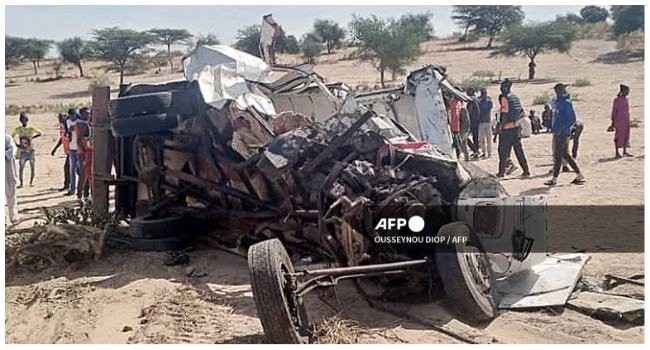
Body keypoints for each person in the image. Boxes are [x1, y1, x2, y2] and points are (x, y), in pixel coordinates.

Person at [545, 83, 585, 186]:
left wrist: (562, 129)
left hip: (563, 133)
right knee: (564, 155)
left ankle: (554, 179)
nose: (557, 93)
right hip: (557, 132)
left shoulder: (567, 103)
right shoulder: (558, 102)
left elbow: (572, 119)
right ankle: (578, 174)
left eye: (559, 91)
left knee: (559, 156)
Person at [496, 79, 530, 178]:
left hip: (507, 129)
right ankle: (526, 171)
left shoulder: (505, 98)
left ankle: (501, 172)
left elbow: (505, 114)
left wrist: (501, 126)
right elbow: (521, 112)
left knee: (502, 151)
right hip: (516, 128)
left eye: (502, 86)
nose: (501, 88)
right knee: (519, 151)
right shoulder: (515, 97)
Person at [11, 112, 44, 188]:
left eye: (25, 120)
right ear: (20, 120)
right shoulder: (18, 129)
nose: (24, 121)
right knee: (21, 168)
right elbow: (12, 137)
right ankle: (22, 183)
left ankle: (31, 182)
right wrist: (17, 145)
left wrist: (32, 138)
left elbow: (41, 133)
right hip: (23, 151)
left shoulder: (30, 128)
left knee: (32, 168)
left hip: (31, 150)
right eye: (22, 120)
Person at [610, 84, 632, 158]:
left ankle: (624, 151)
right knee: (618, 135)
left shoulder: (626, 99)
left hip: (626, 119)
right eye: (627, 91)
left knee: (626, 134)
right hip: (619, 120)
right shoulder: (617, 100)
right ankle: (617, 152)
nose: (628, 92)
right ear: (623, 91)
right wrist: (612, 122)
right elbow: (614, 111)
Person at [51, 113, 71, 191]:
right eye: (59, 118)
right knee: (74, 169)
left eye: (61, 117)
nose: (60, 119)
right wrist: (55, 148)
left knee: (68, 168)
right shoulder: (62, 127)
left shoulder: (68, 126)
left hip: (72, 150)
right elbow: (61, 138)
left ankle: (67, 185)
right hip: (68, 151)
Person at [447, 94, 469, 161]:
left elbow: (456, 117)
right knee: (464, 144)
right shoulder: (460, 105)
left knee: (459, 143)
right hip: (463, 128)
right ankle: (466, 159)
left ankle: (461, 158)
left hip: (460, 128)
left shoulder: (456, 105)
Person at [77, 107, 93, 197]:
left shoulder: (91, 124)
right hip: (87, 152)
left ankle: (87, 194)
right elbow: (79, 140)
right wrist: (84, 151)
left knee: (90, 176)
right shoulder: (83, 125)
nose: (88, 115)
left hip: (94, 153)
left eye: (89, 113)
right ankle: (81, 194)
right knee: (85, 175)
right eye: (86, 114)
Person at [66, 108, 80, 196]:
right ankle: (73, 188)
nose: (72, 117)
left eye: (73, 115)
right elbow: (71, 129)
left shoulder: (79, 121)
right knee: (72, 169)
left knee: (81, 170)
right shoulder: (69, 122)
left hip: (80, 148)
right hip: (72, 148)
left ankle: (81, 189)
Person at [5, 134, 19, 223]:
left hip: (8, 170)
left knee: (11, 194)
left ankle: (13, 216)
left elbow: (12, 150)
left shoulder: (7, 138)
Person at [477, 88, 493, 158]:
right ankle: (485, 152)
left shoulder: (487, 101)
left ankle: (488, 152)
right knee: (483, 138)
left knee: (488, 138)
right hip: (484, 121)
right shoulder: (487, 101)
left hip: (486, 121)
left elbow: (483, 109)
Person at [466, 88, 481, 159]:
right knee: (475, 137)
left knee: (465, 137)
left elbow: (470, 112)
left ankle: (475, 150)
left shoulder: (472, 100)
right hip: (477, 121)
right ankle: (476, 151)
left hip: (472, 121)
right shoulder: (477, 99)